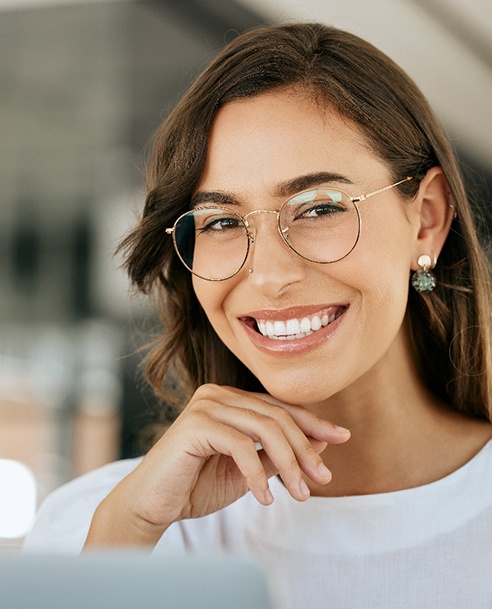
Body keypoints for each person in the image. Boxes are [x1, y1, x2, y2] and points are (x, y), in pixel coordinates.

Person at [25, 22, 492, 608]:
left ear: (426, 218)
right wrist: (125, 538)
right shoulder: (102, 527)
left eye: (319, 208)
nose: (269, 275)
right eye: (220, 221)